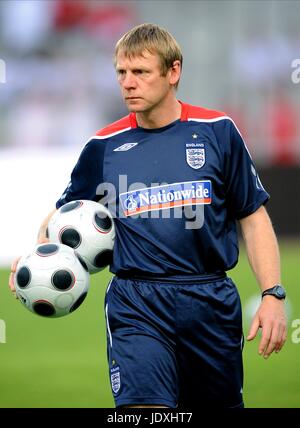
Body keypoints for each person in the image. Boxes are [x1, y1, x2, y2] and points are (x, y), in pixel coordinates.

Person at [9, 23, 287, 408]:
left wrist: (273, 293)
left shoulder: (218, 132)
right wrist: (38, 254)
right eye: (121, 73)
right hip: (136, 303)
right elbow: (63, 216)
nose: (128, 83)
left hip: (210, 300)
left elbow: (253, 217)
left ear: (173, 72)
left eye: (140, 72)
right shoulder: (103, 147)